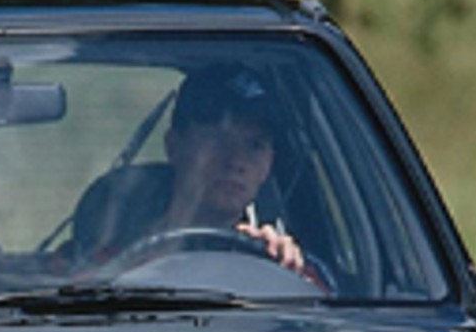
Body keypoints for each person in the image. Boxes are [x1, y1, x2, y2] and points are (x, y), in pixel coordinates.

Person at [69, 63, 307, 274]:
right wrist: (127, 273)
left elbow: (326, 313)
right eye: (217, 139)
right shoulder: (105, 261)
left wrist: (287, 269)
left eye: (255, 145)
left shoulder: (275, 263)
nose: (236, 161)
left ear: (268, 165)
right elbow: (56, 300)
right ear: (174, 146)